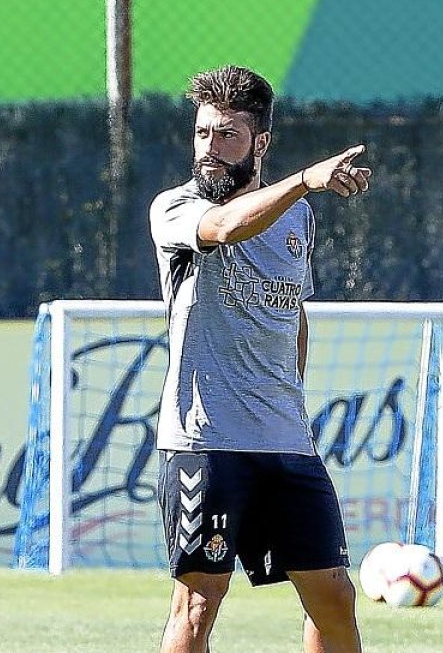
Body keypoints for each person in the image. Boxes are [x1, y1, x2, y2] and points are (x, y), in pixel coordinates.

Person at [149, 65, 371, 653]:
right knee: (198, 604)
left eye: (227, 136)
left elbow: (294, 313)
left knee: (333, 595)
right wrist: (305, 180)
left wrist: (287, 401)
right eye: (202, 134)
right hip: (205, 440)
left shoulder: (298, 217)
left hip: (286, 442)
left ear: (260, 142)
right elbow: (223, 227)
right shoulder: (176, 207)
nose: (210, 150)